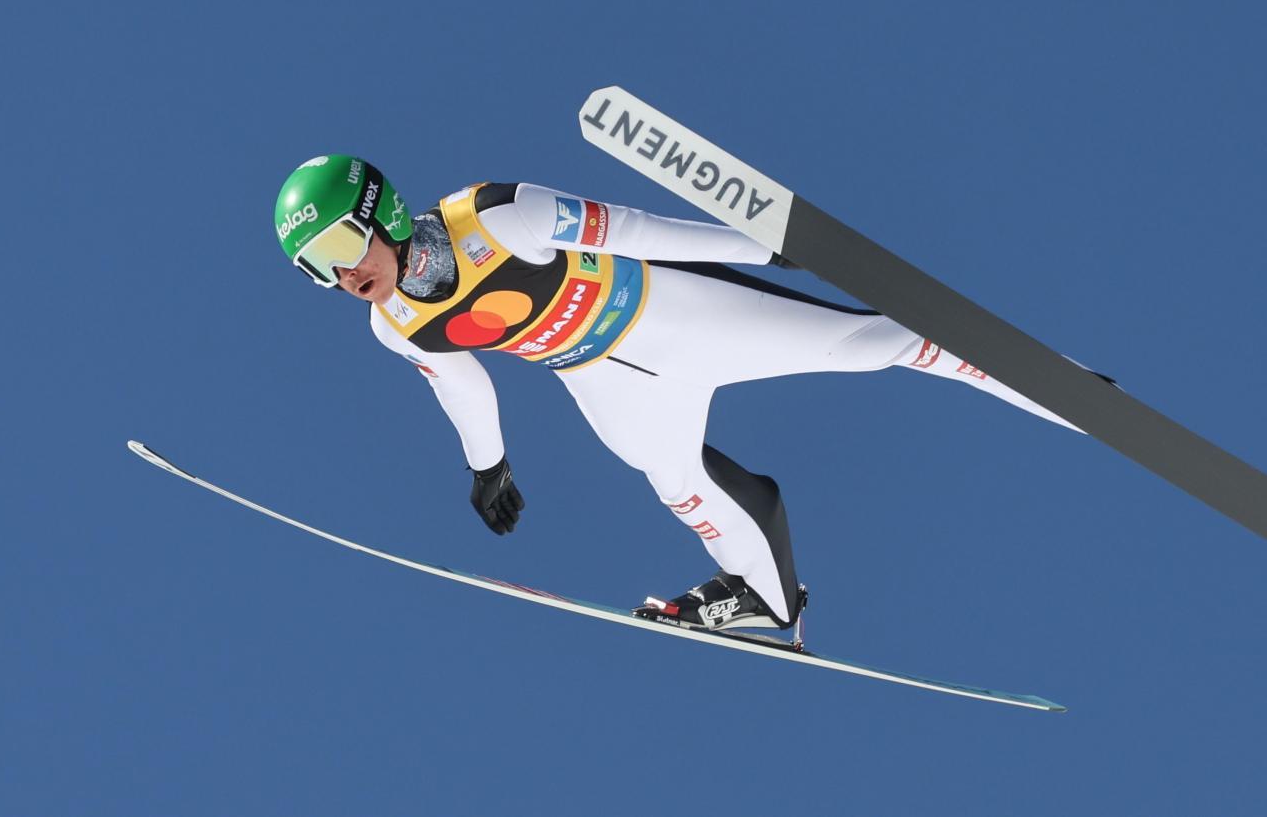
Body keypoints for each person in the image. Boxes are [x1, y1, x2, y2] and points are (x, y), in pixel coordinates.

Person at [273, 155, 1079, 632]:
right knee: (678, 483)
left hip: (671, 312)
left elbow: (628, 229)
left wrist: (762, 249)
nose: (344, 275)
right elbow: (461, 382)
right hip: (600, 379)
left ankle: (1057, 391)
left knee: (867, 344)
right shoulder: (395, 324)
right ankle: (767, 602)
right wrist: (489, 467)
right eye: (316, 267)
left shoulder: (496, 216)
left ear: (379, 212)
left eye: (342, 244)